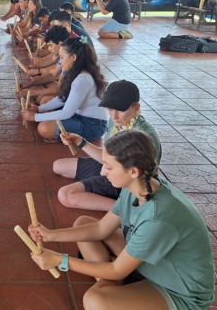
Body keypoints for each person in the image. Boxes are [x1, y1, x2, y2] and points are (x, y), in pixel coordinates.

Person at [28, 130, 215, 310]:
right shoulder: (138, 185)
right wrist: (50, 234)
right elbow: (101, 228)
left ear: (133, 170)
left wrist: (60, 261)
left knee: (94, 302)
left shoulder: (158, 218)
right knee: (83, 222)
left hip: (179, 294)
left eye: (108, 167)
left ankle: (115, 288)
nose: (102, 172)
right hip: (150, 264)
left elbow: (118, 269)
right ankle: (116, 287)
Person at [54, 80, 162, 212]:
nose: (114, 115)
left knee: (65, 195)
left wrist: (106, 173)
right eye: (110, 109)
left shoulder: (143, 136)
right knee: (58, 166)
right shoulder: (116, 121)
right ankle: (99, 187)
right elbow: (107, 155)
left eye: (120, 110)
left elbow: (139, 179)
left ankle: (124, 210)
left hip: (125, 181)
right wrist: (80, 141)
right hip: (111, 167)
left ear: (136, 108)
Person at [21, 37, 108, 143]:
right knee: (44, 101)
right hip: (78, 115)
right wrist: (39, 109)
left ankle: (62, 133)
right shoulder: (78, 73)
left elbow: (67, 113)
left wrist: (35, 117)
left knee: (44, 128)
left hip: (92, 125)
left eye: (61, 58)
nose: (60, 62)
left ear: (74, 57)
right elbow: (63, 98)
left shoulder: (82, 79)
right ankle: (59, 124)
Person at [18, 25, 70, 101]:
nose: (49, 49)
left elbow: (61, 89)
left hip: (71, 94)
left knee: (42, 99)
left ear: (60, 43)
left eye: (50, 46)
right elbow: (53, 75)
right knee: (39, 81)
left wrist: (32, 93)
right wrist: (31, 84)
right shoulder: (63, 54)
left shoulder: (69, 59)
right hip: (66, 88)